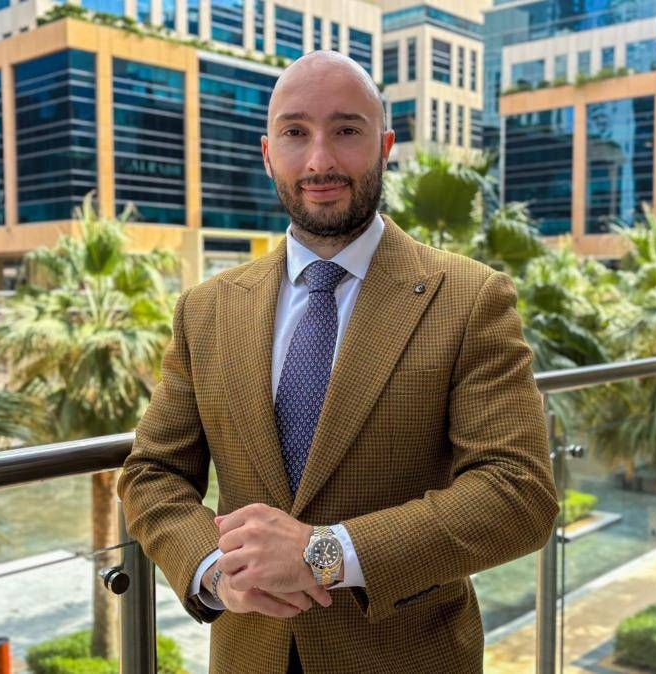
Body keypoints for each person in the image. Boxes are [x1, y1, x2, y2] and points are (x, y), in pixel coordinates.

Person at [118, 50, 558, 674]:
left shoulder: (470, 297)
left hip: (405, 658)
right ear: (268, 153)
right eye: (295, 133)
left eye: (346, 130)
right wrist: (215, 571)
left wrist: (324, 553)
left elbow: (517, 493)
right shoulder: (206, 309)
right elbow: (152, 471)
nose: (319, 161)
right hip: (249, 654)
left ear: (385, 146)